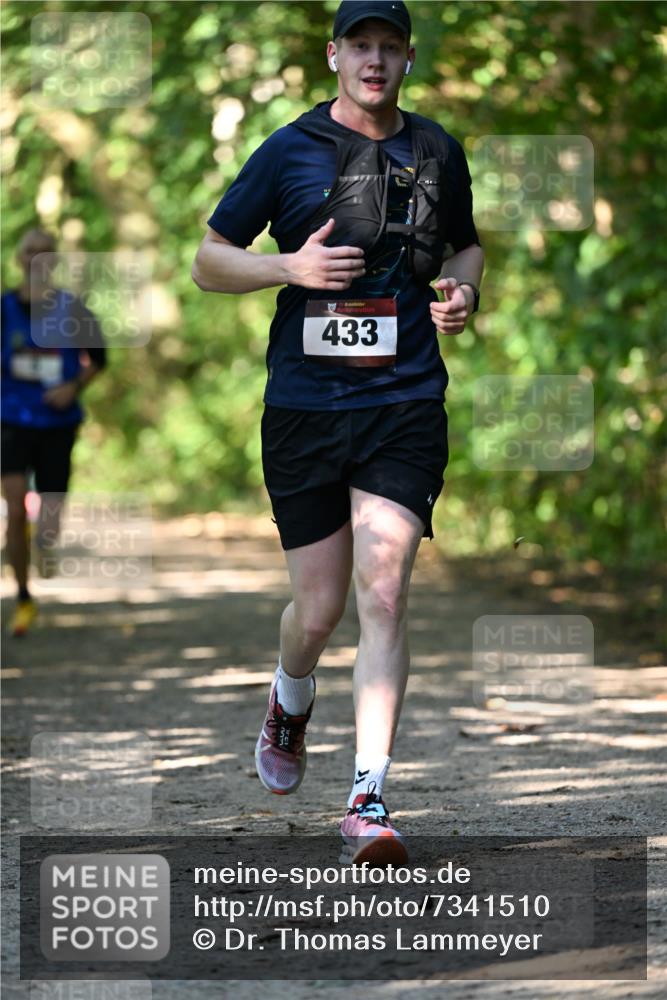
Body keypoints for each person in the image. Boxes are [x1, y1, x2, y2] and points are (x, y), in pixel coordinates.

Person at [193, 0, 484, 864]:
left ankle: (368, 797)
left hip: (402, 402)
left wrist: (463, 291)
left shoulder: (436, 150)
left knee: (385, 587)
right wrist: (289, 266)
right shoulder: (288, 149)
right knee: (318, 611)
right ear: (333, 55)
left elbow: (464, 247)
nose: (375, 60)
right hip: (305, 409)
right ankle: (289, 698)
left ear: (407, 60)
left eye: (390, 47)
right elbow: (209, 259)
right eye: (361, 44)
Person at [1, 228, 107, 636]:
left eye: (45, 253)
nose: (37, 259)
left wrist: (72, 386)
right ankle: (24, 597)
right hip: (9, 419)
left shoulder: (72, 309)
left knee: (50, 512)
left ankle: (44, 540)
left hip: (57, 423)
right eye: (30, 252)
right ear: (18, 259)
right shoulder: (3, 308)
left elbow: (99, 360)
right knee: (13, 504)